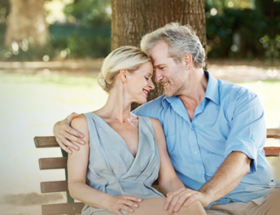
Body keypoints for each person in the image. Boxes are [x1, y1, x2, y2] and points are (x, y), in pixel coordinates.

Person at [54, 23, 279, 215]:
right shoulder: (151, 115)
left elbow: (240, 159)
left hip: (260, 200)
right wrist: (61, 126)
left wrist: (201, 196)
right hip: (207, 209)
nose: (157, 80)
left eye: (161, 68)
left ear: (187, 61)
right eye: (151, 74)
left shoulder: (241, 101)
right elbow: (106, 123)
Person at [65, 46, 206, 215]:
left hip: (149, 205)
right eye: (147, 77)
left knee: (190, 204)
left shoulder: (152, 126)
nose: (152, 85)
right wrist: (110, 202)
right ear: (124, 75)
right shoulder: (84, 124)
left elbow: (169, 179)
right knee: (190, 208)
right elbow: (75, 185)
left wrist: (183, 197)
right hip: (108, 209)